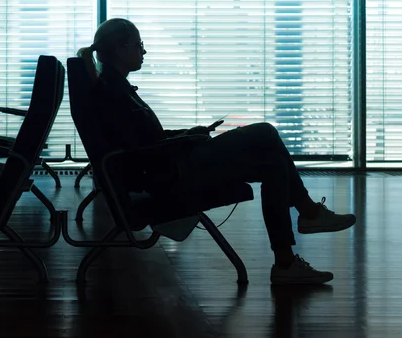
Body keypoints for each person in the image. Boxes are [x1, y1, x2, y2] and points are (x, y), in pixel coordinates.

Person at [77, 18, 356, 285]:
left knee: (273, 165)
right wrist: (188, 142)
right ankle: (308, 214)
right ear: (119, 50)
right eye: (138, 44)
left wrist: (188, 134)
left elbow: (144, 141)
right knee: (264, 132)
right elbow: (138, 152)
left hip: (169, 165)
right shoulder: (113, 93)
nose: (144, 50)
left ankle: (286, 262)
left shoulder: (116, 88)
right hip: (168, 174)